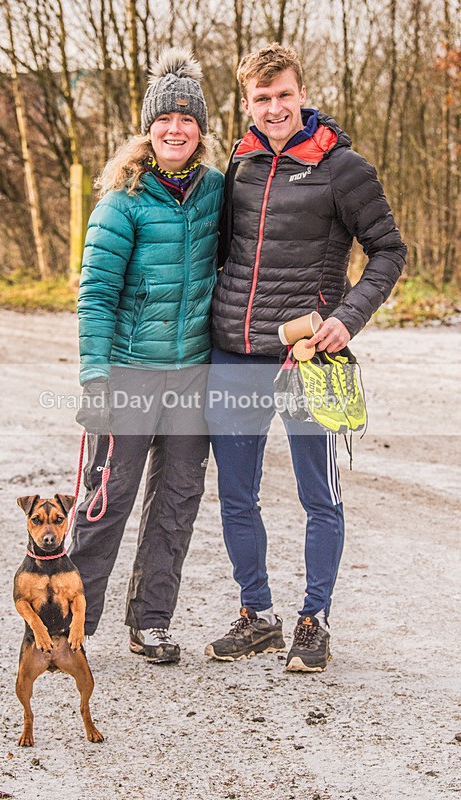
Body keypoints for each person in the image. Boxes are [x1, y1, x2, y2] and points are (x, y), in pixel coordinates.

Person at [204, 44, 406, 671]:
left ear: (302, 95)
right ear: (247, 103)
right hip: (234, 352)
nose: (274, 108)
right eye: (262, 98)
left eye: (284, 95)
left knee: (319, 495)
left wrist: (347, 318)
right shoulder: (237, 165)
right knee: (236, 495)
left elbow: (389, 251)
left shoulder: (344, 168)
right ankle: (256, 615)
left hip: (307, 358)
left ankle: (314, 620)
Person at [70, 48, 223, 664]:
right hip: (130, 373)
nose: (176, 129)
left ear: (201, 130)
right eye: (165, 119)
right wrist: (95, 378)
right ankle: (71, 624)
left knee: (177, 503)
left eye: (187, 119)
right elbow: (95, 296)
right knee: (106, 502)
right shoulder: (122, 201)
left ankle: (151, 622)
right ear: (148, 128)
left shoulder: (217, 191)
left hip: (193, 377)